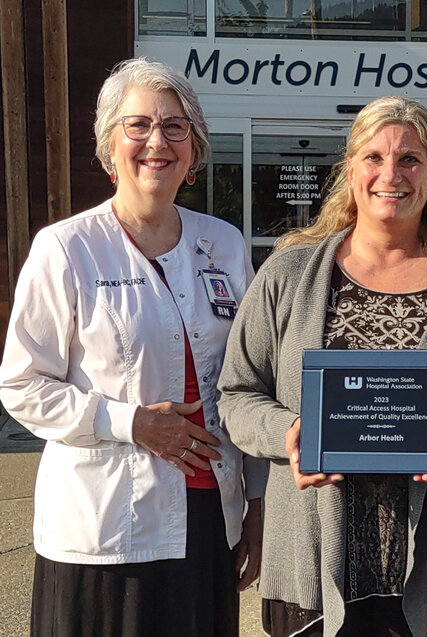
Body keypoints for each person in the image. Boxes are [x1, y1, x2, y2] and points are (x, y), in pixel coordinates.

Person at [217, 96, 427, 637]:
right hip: (314, 565)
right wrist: (290, 433)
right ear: (350, 171)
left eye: (410, 159)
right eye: (374, 158)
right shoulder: (288, 274)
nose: (392, 174)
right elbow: (238, 394)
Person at [0, 58, 265, 637]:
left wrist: (259, 505)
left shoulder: (223, 244)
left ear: (193, 153)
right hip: (103, 531)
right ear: (108, 148)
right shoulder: (66, 249)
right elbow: (21, 385)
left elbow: (250, 381)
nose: (157, 142)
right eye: (138, 125)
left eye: (175, 128)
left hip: (207, 522)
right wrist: (130, 423)